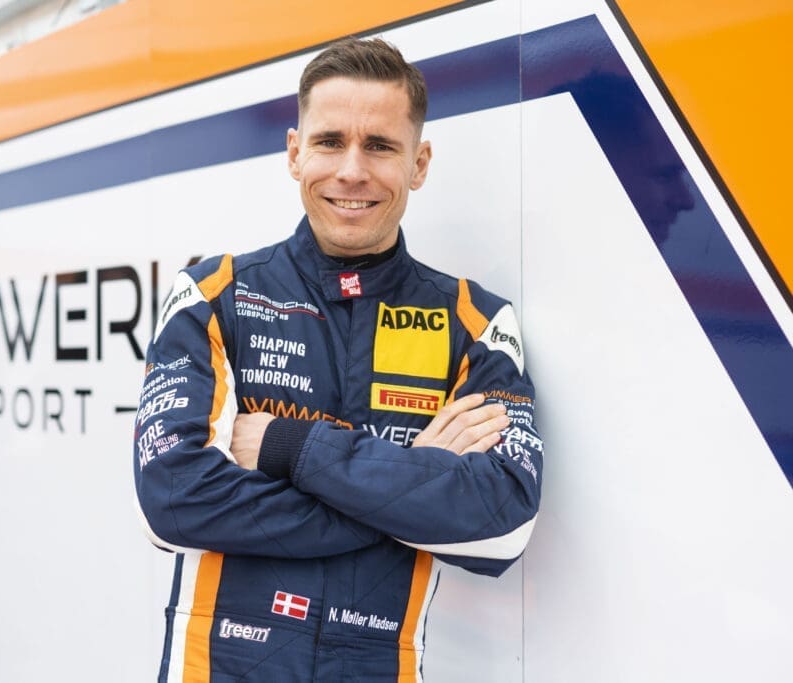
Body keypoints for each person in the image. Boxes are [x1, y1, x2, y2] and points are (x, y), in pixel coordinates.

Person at [133, 37, 543, 682]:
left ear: (419, 163)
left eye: (380, 146)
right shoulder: (214, 296)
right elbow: (173, 501)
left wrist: (290, 447)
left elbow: (502, 528)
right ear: (294, 153)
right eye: (330, 142)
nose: (352, 171)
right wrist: (408, 487)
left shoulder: (477, 323)